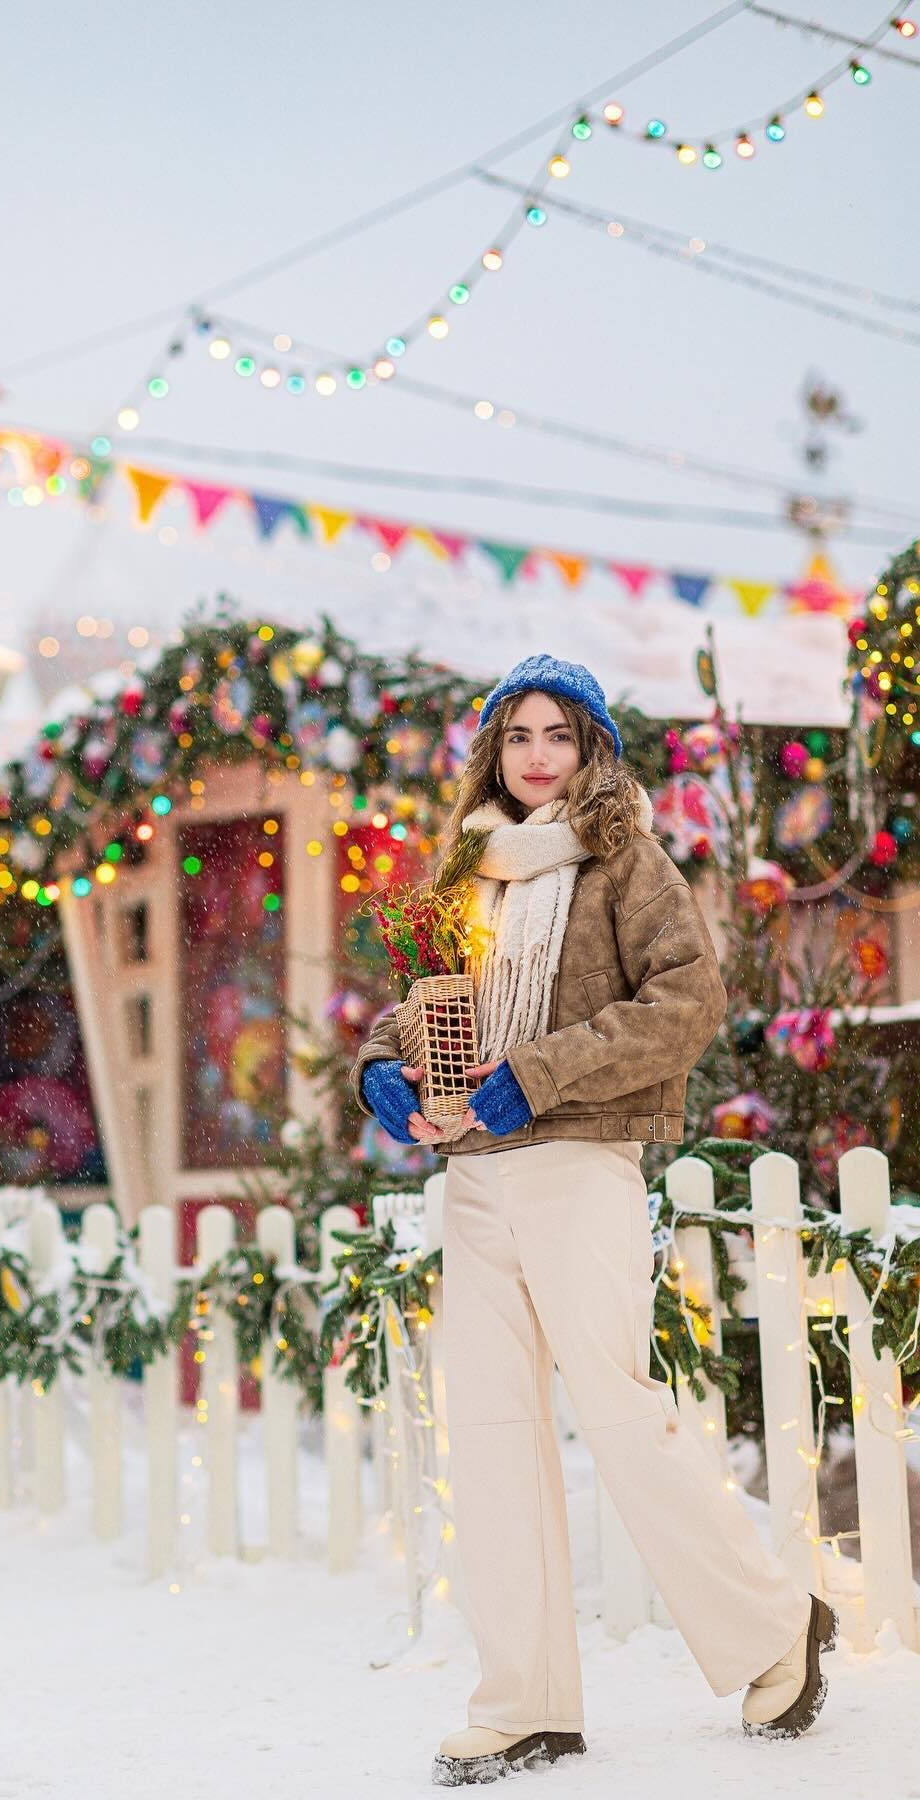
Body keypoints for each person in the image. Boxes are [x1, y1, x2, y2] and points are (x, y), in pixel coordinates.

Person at [350, 654, 836, 1787]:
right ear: (493, 750)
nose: (535, 755)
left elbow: (686, 1001)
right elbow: (424, 1003)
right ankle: (525, 1702)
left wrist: (544, 1072)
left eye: (557, 735)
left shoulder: (627, 860)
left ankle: (775, 1626)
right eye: (517, 735)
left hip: (579, 1163)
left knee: (617, 1414)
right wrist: (386, 1069)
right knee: (492, 1435)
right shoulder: (470, 869)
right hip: (471, 1177)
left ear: (590, 749)